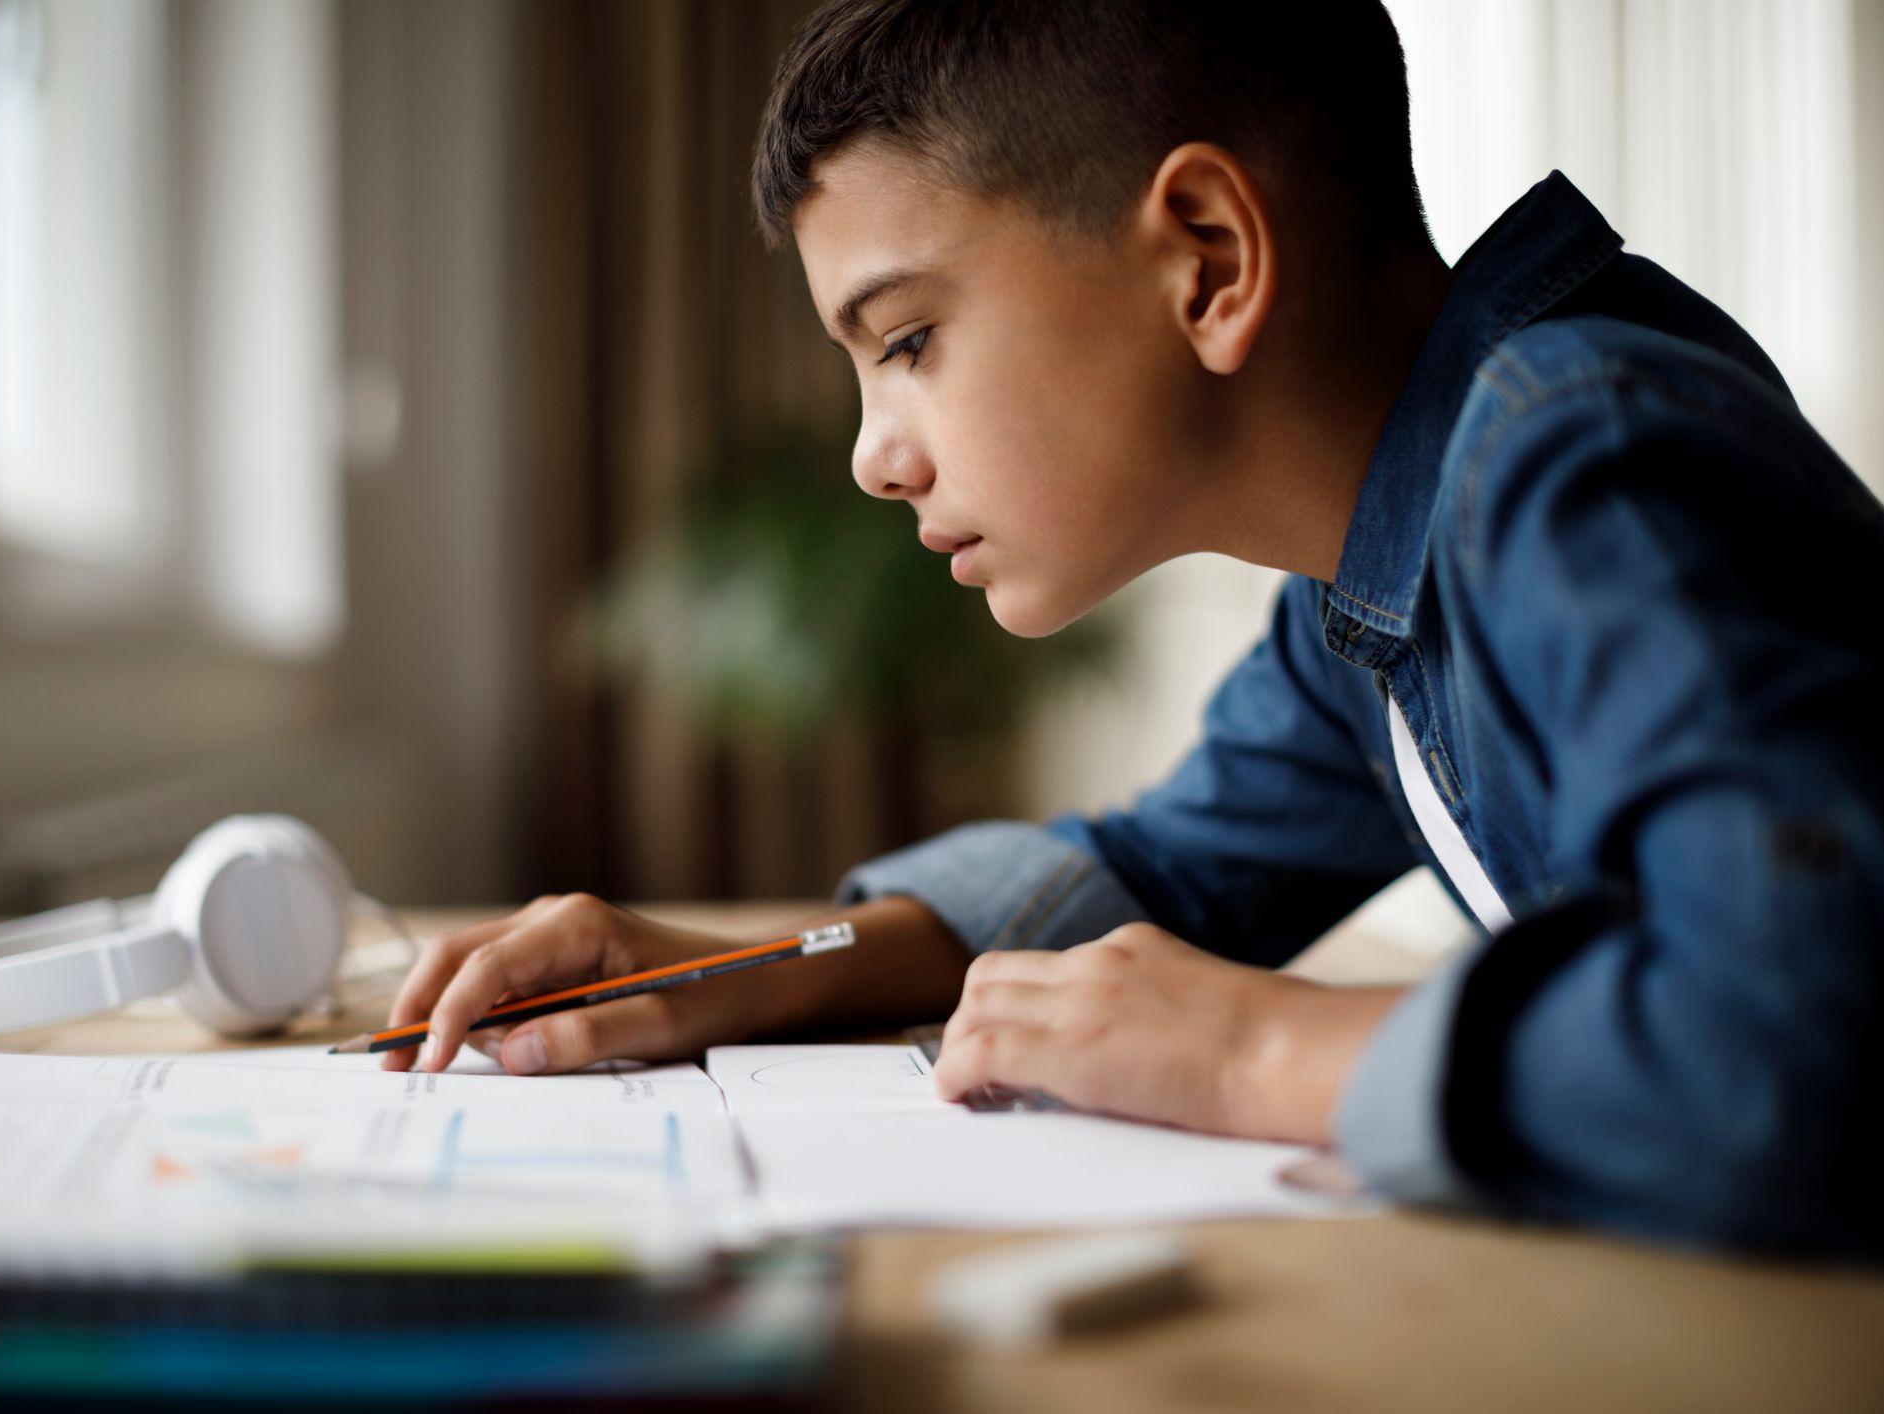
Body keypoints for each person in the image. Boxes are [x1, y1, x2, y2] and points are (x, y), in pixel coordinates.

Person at [388, 0, 1883, 1257]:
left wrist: (1251, 1050)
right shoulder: (1373, 581)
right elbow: (1165, 870)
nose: (871, 454)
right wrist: (754, 964)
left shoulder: (1582, 463)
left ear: (1209, 259)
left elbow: (1798, 1045)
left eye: (906, 340)